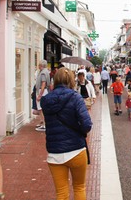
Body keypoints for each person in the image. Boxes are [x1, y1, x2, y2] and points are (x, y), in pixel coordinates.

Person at [41, 68, 93, 200]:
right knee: (79, 187)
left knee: (61, 192)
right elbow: (87, 125)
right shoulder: (76, 97)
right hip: (76, 149)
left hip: (55, 151)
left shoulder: (46, 100)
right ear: (71, 80)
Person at [35, 59, 51, 132]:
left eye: (39, 65)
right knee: (41, 109)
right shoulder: (45, 72)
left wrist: (39, 95)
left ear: (41, 65)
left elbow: (43, 84)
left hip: (42, 92)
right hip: (43, 91)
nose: (38, 66)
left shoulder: (43, 73)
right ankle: (43, 123)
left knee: (41, 109)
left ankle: (44, 124)